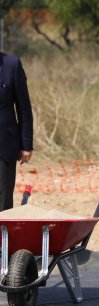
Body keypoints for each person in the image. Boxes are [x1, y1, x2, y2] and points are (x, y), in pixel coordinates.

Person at [0, 52, 33, 211]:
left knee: (3, 197)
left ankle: (2, 235)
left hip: (4, 145)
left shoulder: (12, 65)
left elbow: (24, 108)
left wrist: (26, 144)